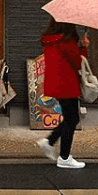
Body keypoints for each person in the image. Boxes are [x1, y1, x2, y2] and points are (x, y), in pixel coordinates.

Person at [37, 17, 89, 169]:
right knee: (72, 119)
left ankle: (50, 141)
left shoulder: (49, 40)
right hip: (67, 84)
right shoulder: (66, 41)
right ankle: (64, 157)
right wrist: (84, 48)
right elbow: (78, 62)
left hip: (55, 84)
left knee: (70, 118)